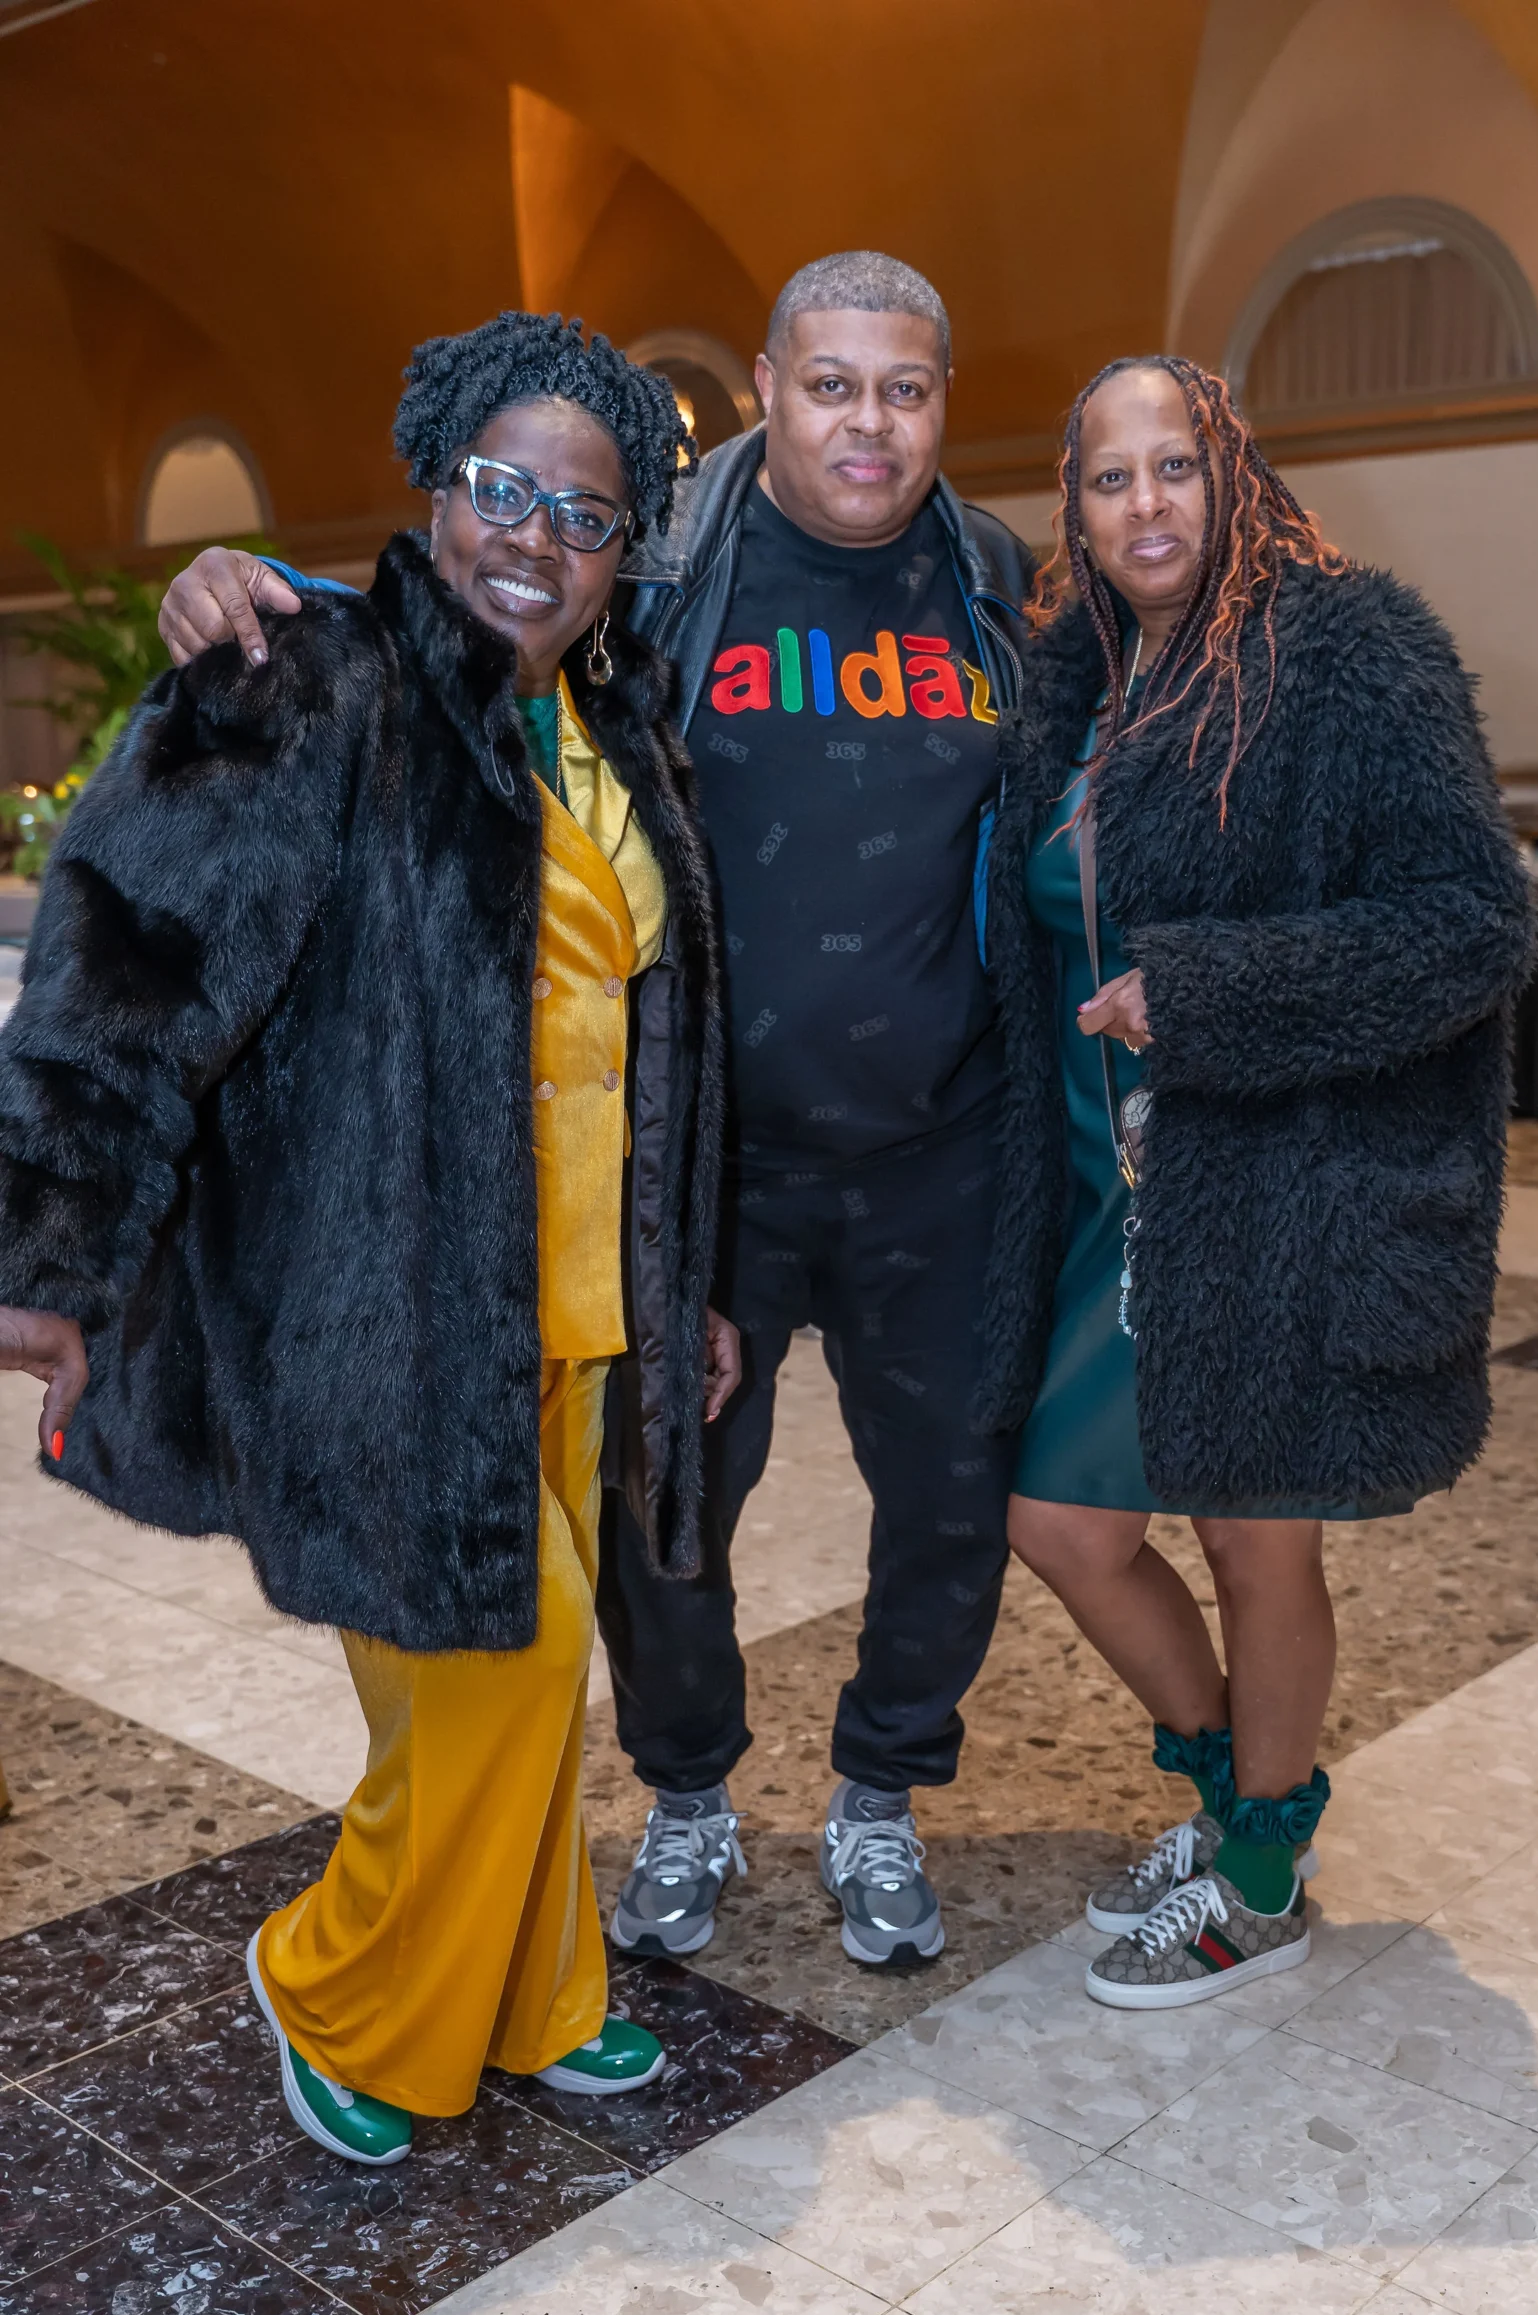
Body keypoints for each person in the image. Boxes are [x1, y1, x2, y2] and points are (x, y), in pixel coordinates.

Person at [155, 252, 1037, 1974]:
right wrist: (244, 588)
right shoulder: (667, 558)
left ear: (943, 401)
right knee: (662, 1514)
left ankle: (880, 1792)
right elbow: (485, 593)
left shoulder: (993, 579)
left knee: (950, 1503)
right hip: (707, 1160)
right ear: (767, 388)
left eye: (905, 387)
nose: (867, 421)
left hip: (946, 1148)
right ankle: (688, 1790)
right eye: (831, 383)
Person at [0, 312, 736, 2163]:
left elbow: (661, 1042)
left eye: (586, 512)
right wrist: (50, 1254)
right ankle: (336, 1981)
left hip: (575, 1311)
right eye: (503, 488)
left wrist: (686, 1282)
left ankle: (534, 1990)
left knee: (503, 1696)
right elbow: (128, 967)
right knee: (511, 1659)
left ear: (623, 548)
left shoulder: (618, 725)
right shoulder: (302, 676)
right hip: (377, 1306)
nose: (535, 538)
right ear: (435, 484)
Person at [976, 355, 1533, 2009]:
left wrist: (1206, 993)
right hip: (1105, 1191)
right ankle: (1239, 1800)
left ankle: (1263, 1879)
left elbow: (1470, 923)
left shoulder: (1347, 652)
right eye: (1108, 477)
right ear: (1073, 508)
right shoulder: (1072, 677)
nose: (1144, 503)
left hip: (1277, 1179)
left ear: (1232, 476)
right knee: (1059, 1520)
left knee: (1249, 1536)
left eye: (1175, 467)